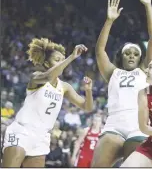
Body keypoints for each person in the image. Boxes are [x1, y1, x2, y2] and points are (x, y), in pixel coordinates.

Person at [92, 0, 152, 167]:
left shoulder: (144, 71)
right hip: (114, 125)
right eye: (127, 53)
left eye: (135, 54)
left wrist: (148, 6)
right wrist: (109, 21)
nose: (131, 55)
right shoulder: (113, 72)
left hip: (139, 126)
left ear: (140, 58)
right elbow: (99, 51)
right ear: (121, 56)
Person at [2, 38, 94, 167]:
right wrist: (71, 57)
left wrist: (88, 91)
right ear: (46, 63)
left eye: (62, 60)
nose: (61, 63)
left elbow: (87, 107)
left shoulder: (65, 87)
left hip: (42, 137)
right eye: (57, 60)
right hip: (22, 131)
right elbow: (49, 76)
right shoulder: (36, 77)